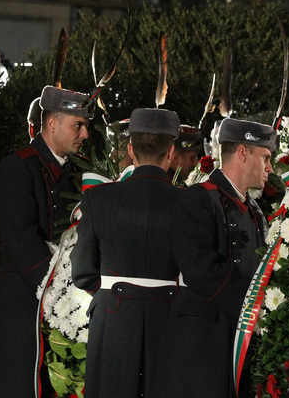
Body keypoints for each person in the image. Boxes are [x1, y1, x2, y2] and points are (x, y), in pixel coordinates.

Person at [0, 85, 93, 398]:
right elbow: (20, 238)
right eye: (77, 125)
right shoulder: (17, 167)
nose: (85, 134)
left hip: (61, 307)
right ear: (51, 124)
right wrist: (63, 294)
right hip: (21, 307)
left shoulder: (77, 173)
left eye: (86, 126)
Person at [152, 118, 276, 398]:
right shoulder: (197, 199)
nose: (270, 168)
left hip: (236, 336)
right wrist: (253, 305)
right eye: (265, 157)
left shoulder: (254, 210)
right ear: (243, 152)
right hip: (200, 345)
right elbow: (199, 269)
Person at [70, 107, 184, 397]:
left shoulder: (98, 198)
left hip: (114, 318)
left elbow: (82, 271)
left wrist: (114, 292)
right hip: (170, 319)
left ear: (131, 150)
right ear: (170, 152)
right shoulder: (191, 203)